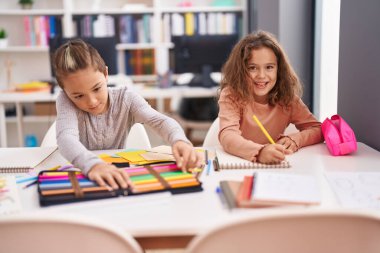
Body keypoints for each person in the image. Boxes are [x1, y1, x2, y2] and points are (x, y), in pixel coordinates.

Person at [53, 39, 203, 190]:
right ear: (65, 91)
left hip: (118, 174)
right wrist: (93, 165)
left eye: (97, 88)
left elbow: (160, 121)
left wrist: (179, 141)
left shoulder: (126, 98)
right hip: (84, 173)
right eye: (78, 96)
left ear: (106, 74)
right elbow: (66, 138)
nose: (91, 101)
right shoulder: (65, 101)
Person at [218, 30, 323, 164]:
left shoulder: (287, 98)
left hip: (275, 167)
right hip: (240, 164)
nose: (261, 76)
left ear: (279, 70)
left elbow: (318, 129)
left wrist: (295, 139)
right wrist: (260, 152)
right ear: (240, 70)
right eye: (252, 68)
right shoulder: (231, 95)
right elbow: (227, 136)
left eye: (269, 67)